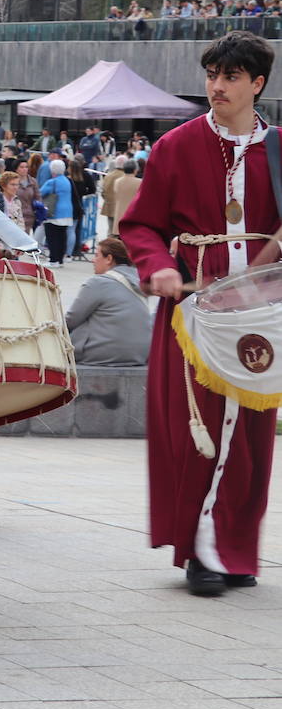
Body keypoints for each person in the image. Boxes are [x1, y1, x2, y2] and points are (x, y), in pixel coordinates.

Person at [119, 30, 279, 597]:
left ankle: (234, 548)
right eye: (212, 75)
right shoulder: (177, 147)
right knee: (198, 430)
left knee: (253, 435)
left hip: (259, 317)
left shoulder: (279, 148)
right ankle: (200, 550)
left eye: (231, 77)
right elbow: (139, 225)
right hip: (194, 314)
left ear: (257, 84)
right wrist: (157, 264)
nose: (217, 86)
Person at [65, 238, 151, 367]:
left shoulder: (98, 283)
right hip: (140, 354)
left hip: (103, 354)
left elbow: (71, 320)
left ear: (109, 259)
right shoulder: (138, 281)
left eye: (96, 255)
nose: (93, 260)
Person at [40, 159, 75, 265]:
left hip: (55, 212)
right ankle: (60, 259)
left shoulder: (52, 182)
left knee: (52, 237)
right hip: (67, 212)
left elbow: (40, 193)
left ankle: (53, 259)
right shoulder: (67, 181)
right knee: (62, 237)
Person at [111, 158, 142, 231]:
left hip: (119, 214)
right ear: (135, 170)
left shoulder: (117, 181)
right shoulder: (140, 182)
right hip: (133, 215)